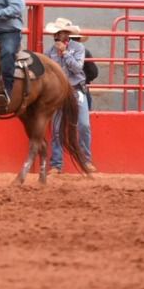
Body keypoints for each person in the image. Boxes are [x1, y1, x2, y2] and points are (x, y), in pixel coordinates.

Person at [44, 17, 95, 173]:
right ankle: (56, 164)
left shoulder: (78, 48)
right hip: (59, 91)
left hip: (76, 89)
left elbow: (77, 68)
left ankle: (86, 160)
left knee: (84, 125)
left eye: (58, 33)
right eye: (55, 33)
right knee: (57, 127)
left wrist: (65, 53)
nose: (55, 36)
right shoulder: (50, 52)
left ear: (66, 34)